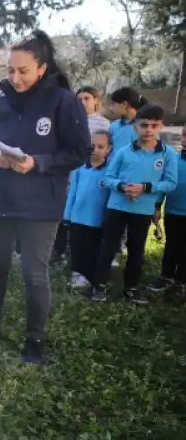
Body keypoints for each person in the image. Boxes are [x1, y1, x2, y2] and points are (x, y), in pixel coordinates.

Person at [0, 30, 92, 364]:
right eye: (10, 70)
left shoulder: (63, 101)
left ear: (42, 67)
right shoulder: (0, 98)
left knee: (34, 272)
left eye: (23, 71)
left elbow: (80, 152)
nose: (14, 77)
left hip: (40, 204)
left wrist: (38, 162)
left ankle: (35, 340)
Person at [91, 105, 178, 305]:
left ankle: (131, 287)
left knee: (136, 249)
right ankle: (99, 286)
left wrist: (144, 188)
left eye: (154, 126)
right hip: (117, 207)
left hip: (142, 210)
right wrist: (122, 187)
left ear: (160, 127)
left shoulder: (167, 154)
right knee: (108, 247)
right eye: (143, 125)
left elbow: (171, 183)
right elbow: (108, 178)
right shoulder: (123, 152)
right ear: (135, 127)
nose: (148, 130)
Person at [64, 130, 112, 289]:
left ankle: (90, 274)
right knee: (77, 246)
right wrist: (67, 215)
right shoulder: (80, 168)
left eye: (100, 146)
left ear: (108, 149)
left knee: (93, 248)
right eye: (92, 146)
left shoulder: (110, 172)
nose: (95, 150)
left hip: (97, 219)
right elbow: (72, 192)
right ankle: (76, 274)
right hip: (77, 216)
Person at [148, 126, 186, 296]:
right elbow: (163, 185)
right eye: (185, 135)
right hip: (173, 212)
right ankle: (166, 276)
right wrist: (157, 206)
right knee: (172, 246)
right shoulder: (174, 160)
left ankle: (181, 281)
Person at [108, 87, 147, 155]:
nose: (110, 108)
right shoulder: (113, 126)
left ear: (124, 104)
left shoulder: (146, 127)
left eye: (113, 104)